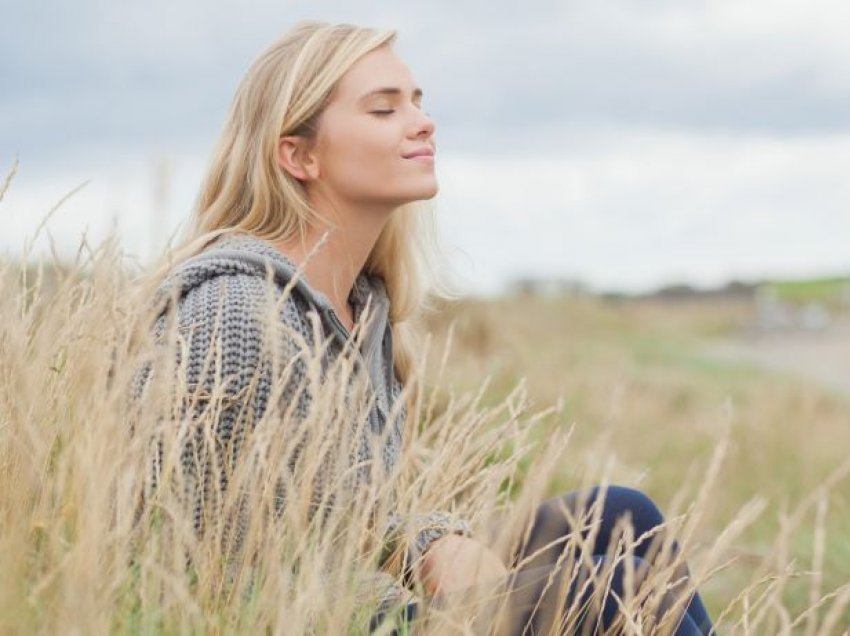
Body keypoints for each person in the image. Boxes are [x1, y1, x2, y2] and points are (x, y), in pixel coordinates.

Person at [135, 20, 716, 635]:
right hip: (309, 619)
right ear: (299, 155)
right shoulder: (237, 313)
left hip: (351, 593)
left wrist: (430, 542)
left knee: (623, 518)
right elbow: (205, 558)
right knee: (605, 589)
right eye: (384, 109)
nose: (422, 121)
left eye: (417, 102)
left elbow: (338, 520)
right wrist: (408, 597)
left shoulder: (358, 308)